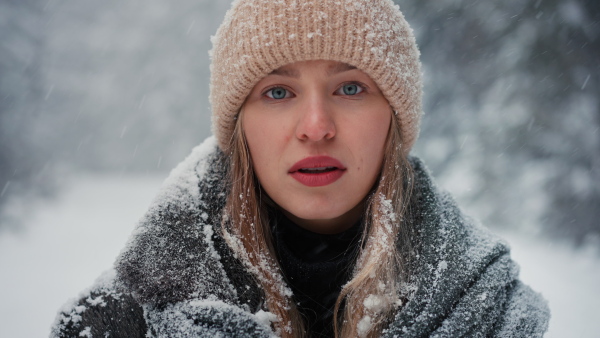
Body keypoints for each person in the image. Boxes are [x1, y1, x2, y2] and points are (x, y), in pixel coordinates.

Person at [51, 0, 550, 337]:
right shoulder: (123, 319)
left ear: (394, 121)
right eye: (277, 92)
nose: (316, 126)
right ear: (240, 126)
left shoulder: (491, 314)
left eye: (351, 88)